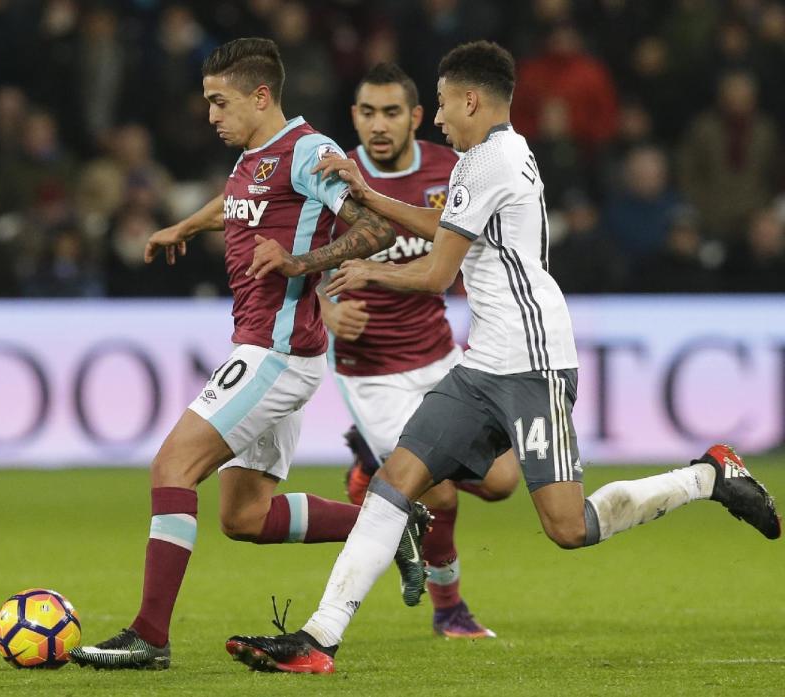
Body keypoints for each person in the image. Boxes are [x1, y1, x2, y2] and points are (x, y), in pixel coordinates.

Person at [225, 40, 781, 675]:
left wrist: (366, 275)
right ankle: (319, 638)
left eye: (438, 105)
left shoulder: (491, 162)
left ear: (470, 99)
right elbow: (443, 228)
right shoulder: (481, 157)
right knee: (394, 484)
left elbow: (436, 275)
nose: (435, 119)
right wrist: (368, 193)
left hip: (533, 364)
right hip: (481, 364)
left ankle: (709, 476)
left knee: (567, 527)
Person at [68, 37, 409, 671]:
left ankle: (149, 636)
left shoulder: (310, 152)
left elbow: (377, 227)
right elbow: (240, 204)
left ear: (261, 96)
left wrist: (299, 261)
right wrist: (187, 225)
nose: (210, 115)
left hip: (274, 351)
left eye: (219, 102)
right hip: (276, 351)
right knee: (245, 516)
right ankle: (389, 524)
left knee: (172, 466)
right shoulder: (258, 157)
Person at [321, 62, 519, 638]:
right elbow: (290, 263)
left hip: (440, 357)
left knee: (503, 481)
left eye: (390, 113)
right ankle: (448, 609)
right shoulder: (332, 177)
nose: (377, 125)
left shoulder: (450, 168)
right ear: (353, 117)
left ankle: (369, 469)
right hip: (371, 372)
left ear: (414, 117)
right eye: (366, 112)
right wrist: (325, 311)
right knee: (441, 489)